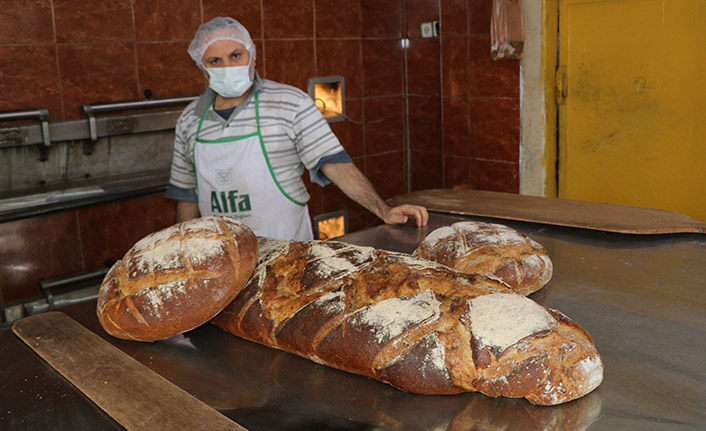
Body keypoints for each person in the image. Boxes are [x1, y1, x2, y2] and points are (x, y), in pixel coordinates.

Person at [166, 17, 428, 241]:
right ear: (203, 69)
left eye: (236, 55)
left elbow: (334, 163)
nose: (228, 67)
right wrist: (178, 246)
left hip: (285, 251)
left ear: (252, 56)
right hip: (223, 258)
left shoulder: (291, 103)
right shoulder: (190, 119)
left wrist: (383, 210)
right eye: (215, 61)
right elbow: (187, 194)